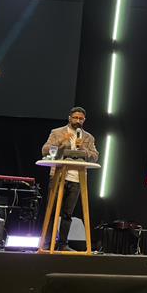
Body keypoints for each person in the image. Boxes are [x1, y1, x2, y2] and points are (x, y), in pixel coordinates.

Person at [41, 106, 99, 251]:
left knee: (67, 213)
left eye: (81, 118)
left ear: (84, 120)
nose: (78, 121)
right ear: (69, 118)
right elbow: (45, 150)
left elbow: (94, 156)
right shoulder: (57, 132)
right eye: (75, 118)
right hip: (59, 176)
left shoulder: (88, 137)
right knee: (52, 210)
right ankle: (47, 243)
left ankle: (63, 244)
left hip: (77, 178)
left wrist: (83, 149)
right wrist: (62, 141)